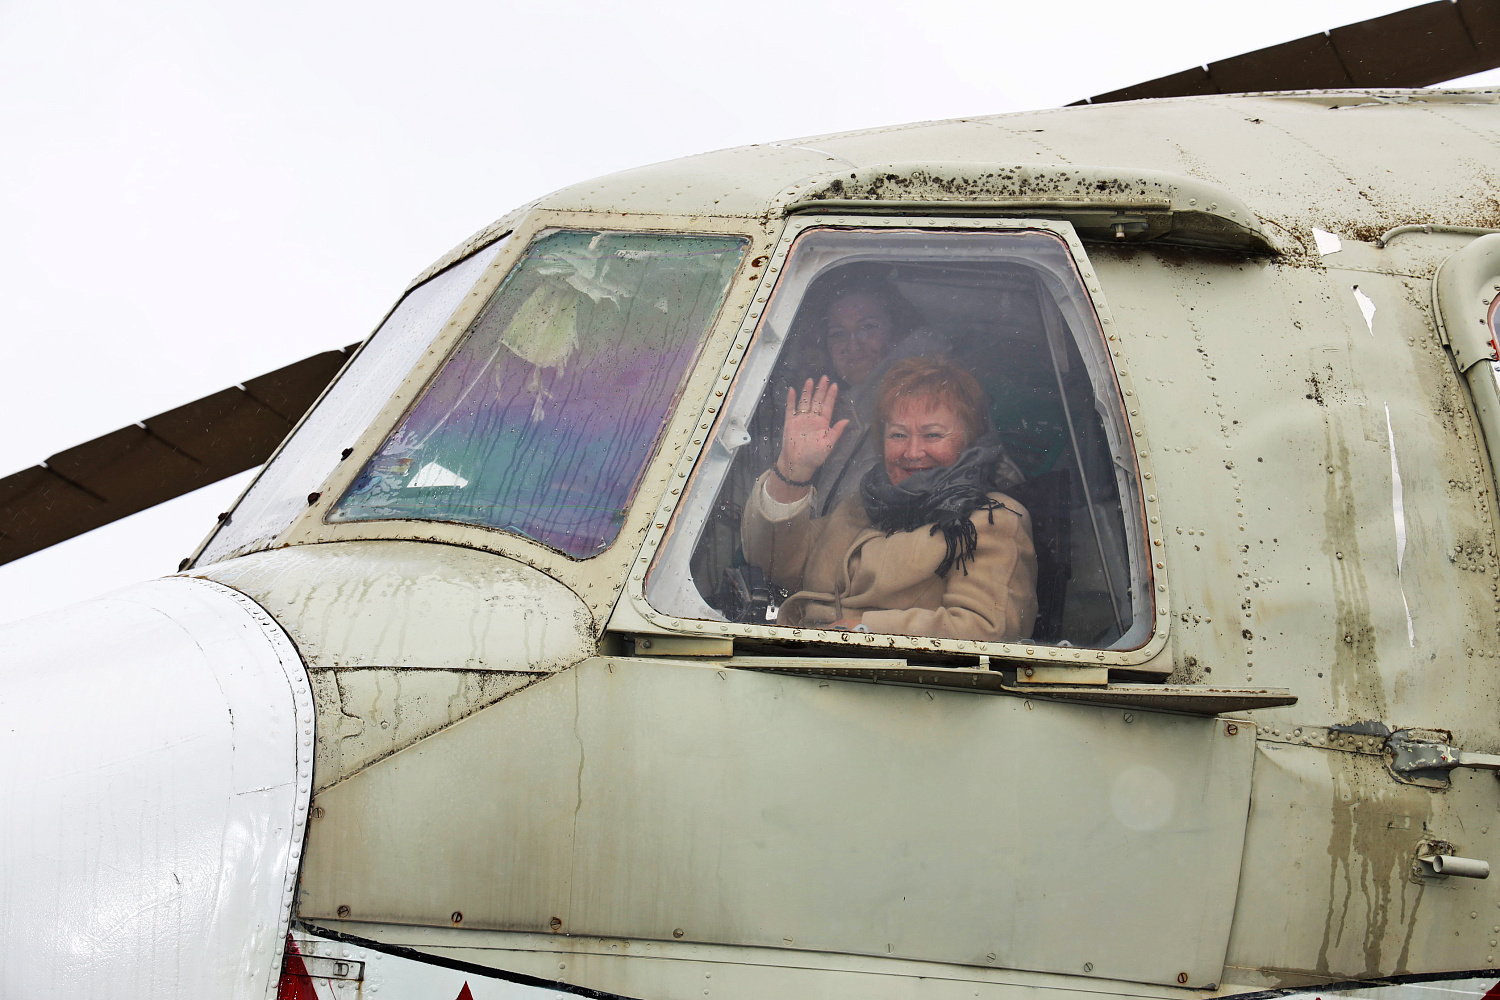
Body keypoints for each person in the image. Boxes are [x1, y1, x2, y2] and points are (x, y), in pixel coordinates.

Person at [741, 358, 1039, 643]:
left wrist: (860, 631)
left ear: (968, 440)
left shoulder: (992, 519)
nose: (912, 451)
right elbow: (774, 562)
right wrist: (794, 471)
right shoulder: (861, 505)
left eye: (932, 434)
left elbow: (989, 631)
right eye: (898, 435)